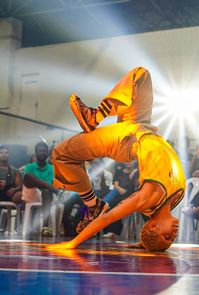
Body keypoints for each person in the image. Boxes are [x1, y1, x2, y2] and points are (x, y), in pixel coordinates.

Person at [47, 66, 186, 251]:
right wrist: (144, 243)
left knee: (61, 153)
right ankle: (94, 116)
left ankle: (92, 205)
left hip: (127, 140)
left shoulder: (147, 197)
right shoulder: (174, 199)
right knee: (141, 75)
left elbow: (108, 217)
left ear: (154, 227)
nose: (173, 235)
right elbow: (154, 219)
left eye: (167, 237)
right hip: (142, 125)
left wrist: (72, 244)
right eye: (172, 240)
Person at [22, 141, 56, 236]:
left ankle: (45, 228)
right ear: (36, 153)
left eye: (44, 151)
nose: (42, 153)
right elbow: (27, 181)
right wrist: (48, 186)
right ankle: (48, 188)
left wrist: (46, 186)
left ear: (47, 153)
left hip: (47, 194)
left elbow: (52, 181)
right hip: (31, 194)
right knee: (28, 176)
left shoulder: (52, 168)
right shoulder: (29, 167)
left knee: (46, 191)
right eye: (40, 151)